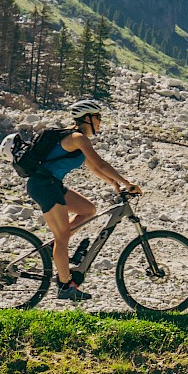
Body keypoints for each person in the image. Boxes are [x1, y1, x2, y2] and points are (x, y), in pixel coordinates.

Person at [28, 98, 142, 302]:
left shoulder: (75, 138)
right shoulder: (78, 138)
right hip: (45, 186)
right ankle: (65, 286)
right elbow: (101, 163)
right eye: (98, 117)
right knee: (63, 237)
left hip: (52, 184)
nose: (100, 121)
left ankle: (56, 248)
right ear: (87, 118)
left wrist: (113, 183)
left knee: (88, 210)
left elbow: (93, 166)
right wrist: (127, 183)